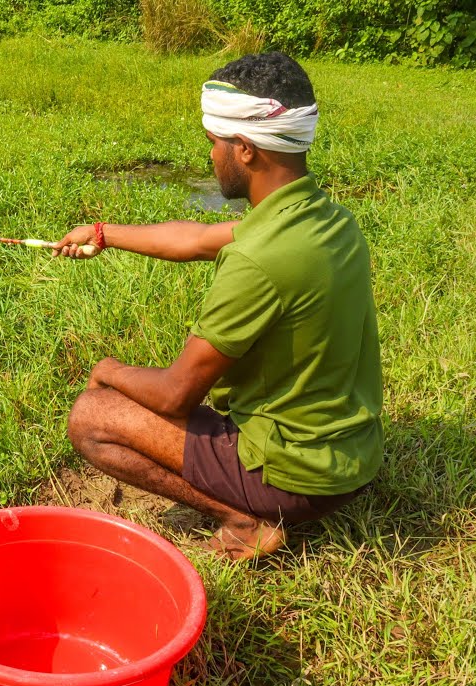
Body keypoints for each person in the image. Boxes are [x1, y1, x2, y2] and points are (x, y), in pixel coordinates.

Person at [52, 52, 383, 560]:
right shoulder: (324, 218)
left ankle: (246, 519)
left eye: (213, 143)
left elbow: (173, 396)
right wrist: (103, 233)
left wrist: (110, 369)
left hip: (299, 477)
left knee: (91, 416)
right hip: (352, 460)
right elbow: (197, 238)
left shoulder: (257, 260)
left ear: (245, 150)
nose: (210, 156)